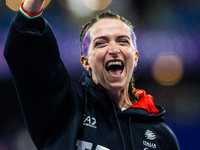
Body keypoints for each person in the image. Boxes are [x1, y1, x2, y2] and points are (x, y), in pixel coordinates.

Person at [4, 0, 180, 150]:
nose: (113, 49)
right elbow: (25, 47)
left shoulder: (161, 135)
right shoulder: (65, 106)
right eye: (101, 43)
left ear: (135, 58)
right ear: (85, 61)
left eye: (123, 41)